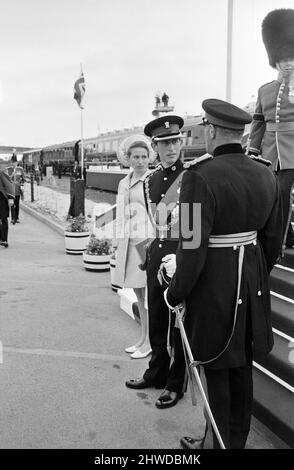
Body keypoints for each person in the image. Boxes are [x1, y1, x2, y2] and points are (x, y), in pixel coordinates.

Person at [163, 99, 283, 448]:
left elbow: (189, 246)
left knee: (215, 372)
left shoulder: (197, 177)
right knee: (242, 371)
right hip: (252, 285)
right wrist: (253, 272)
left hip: (214, 291)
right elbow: (272, 240)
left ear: (212, 131)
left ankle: (216, 444)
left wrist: (175, 292)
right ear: (242, 133)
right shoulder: (265, 172)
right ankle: (231, 442)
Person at [125, 115, 186, 409]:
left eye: (175, 141)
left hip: (182, 255)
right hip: (157, 253)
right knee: (159, 319)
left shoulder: (191, 176)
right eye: (164, 143)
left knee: (179, 324)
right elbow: (152, 223)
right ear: (155, 146)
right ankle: (156, 373)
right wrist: (149, 253)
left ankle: (175, 384)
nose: (171, 148)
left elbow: (193, 231)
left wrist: (181, 257)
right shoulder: (150, 180)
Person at [247, 9, 294, 249]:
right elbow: (258, 122)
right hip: (271, 154)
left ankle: (281, 241)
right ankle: (281, 237)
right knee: (273, 197)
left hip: (293, 152)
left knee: (284, 195)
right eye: (284, 59)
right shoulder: (265, 90)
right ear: (275, 60)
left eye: (291, 59)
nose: (288, 63)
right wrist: (253, 150)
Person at [113, 135, 155, 359]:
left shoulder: (152, 180)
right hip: (129, 243)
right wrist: (117, 241)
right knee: (139, 294)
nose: (140, 161)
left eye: (144, 156)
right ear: (128, 159)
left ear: (149, 158)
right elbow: (120, 214)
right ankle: (142, 338)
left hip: (145, 243)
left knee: (148, 295)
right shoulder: (123, 182)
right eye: (135, 157)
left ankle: (150, 342)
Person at [6, 156, 25, 224]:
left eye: (15, 162)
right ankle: (13, 218)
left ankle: (17, 218)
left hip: (17, 189)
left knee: (17, 204)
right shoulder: (8, 170)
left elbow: (23, 178)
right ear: (11, 162)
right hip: (11, 190)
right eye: (12, 162)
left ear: (17, 162)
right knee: (12, 203)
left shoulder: (20, 169)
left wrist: (22, 184)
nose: (14, 163)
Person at [0, 169, 15, 247]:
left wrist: (10, 198)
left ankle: (4, 239)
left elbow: (9, 184)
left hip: (1, 198)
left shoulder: (1, 173)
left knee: (3, 218)